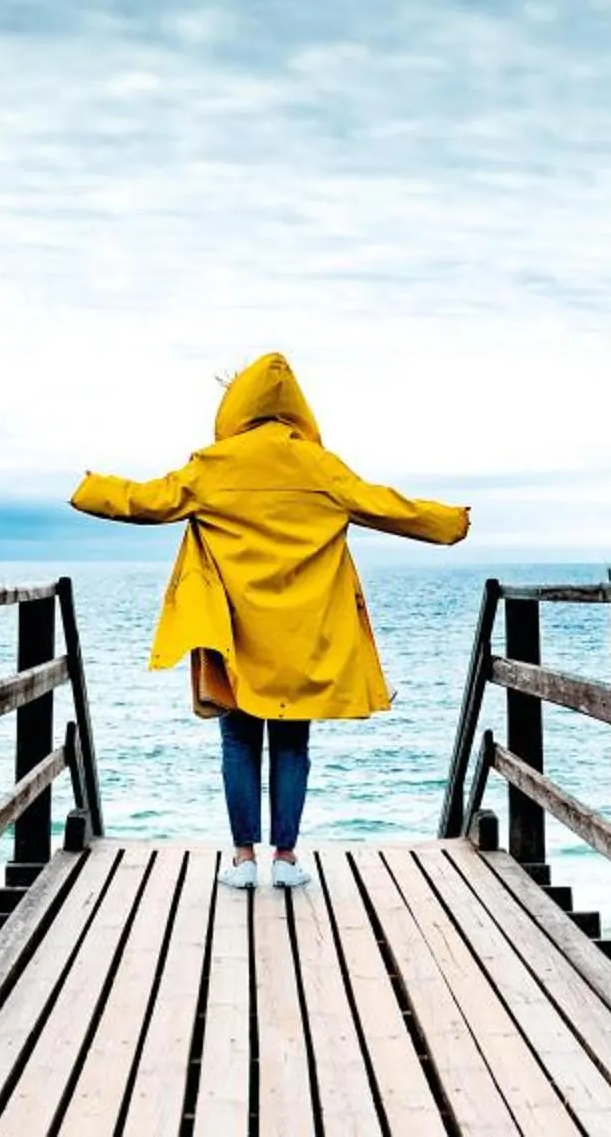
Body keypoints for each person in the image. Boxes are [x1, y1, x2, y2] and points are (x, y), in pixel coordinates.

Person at [71, 353, 470, 890]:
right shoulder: (320, 467)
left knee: (237, 744)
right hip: (301, 640)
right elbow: (390, 506)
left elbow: (145, 501)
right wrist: (451, 522)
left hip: (234, 636)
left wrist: (89, 487)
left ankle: (242, 860)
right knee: (292, 746)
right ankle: (285, 858)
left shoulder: (214, 466)